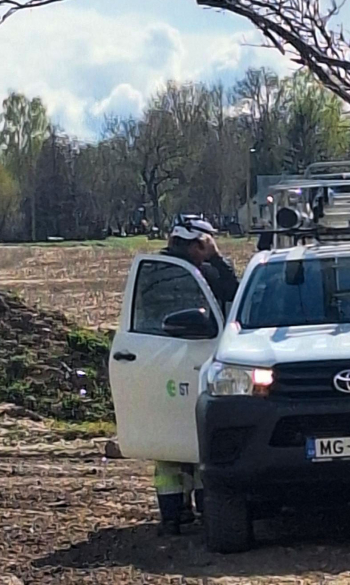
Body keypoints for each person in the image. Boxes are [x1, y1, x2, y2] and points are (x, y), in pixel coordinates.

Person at [153, 217, 241, 536]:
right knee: (201, 440)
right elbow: (233, 290)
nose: (209, 250)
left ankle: (173, 514)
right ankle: (204, 508)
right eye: (206, 244)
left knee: (167, 446)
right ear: (196, 245)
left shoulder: (157, 269)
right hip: (193, 360)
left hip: (158, 361)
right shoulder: (198, 274)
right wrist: (217, 258)